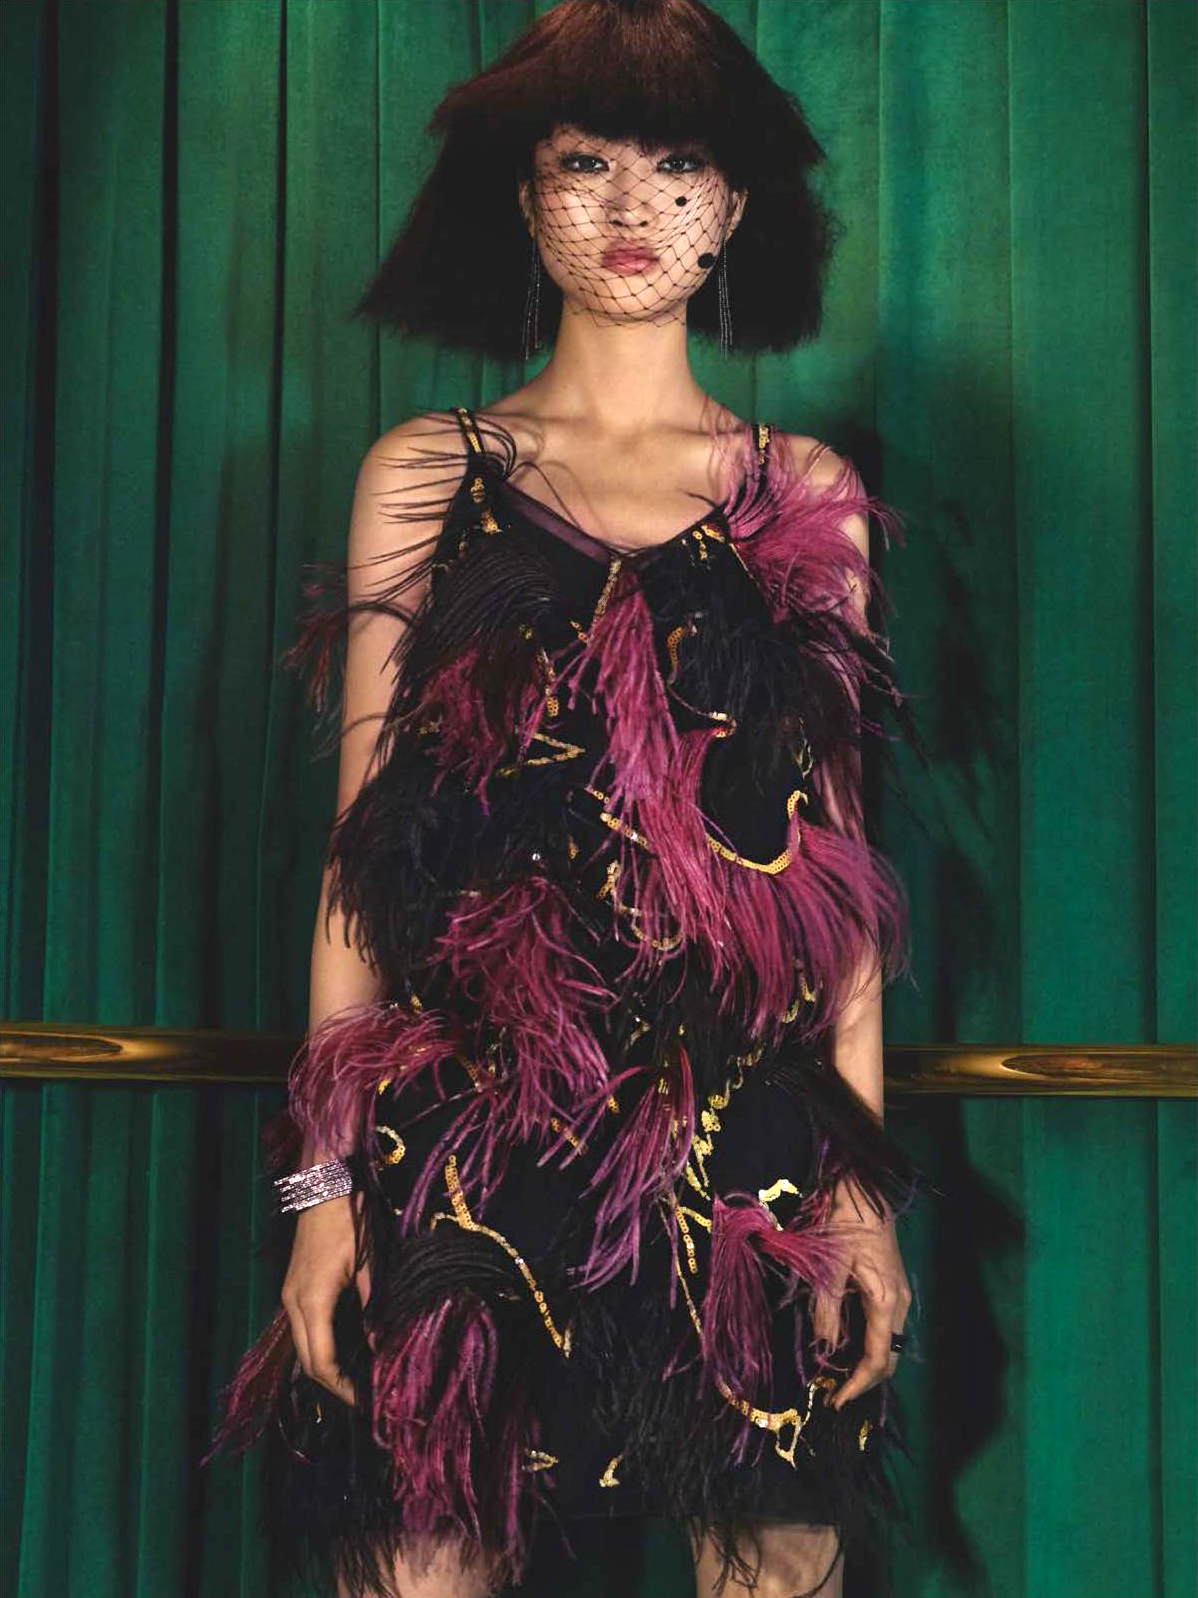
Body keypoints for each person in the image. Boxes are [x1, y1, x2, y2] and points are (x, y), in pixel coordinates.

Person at [204, 3, 930, 1595]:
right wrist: (320, 1192)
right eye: (583, 163)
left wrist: (860, 1187)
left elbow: (832, 871)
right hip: (469, 1125)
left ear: (734, 203)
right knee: (414, 1557)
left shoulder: (797, 492)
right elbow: (360, 860)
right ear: (522, 196)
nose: (630, 207)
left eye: (676, 166)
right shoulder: (430, 470)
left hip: (740, 1137)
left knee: (775, 1556)